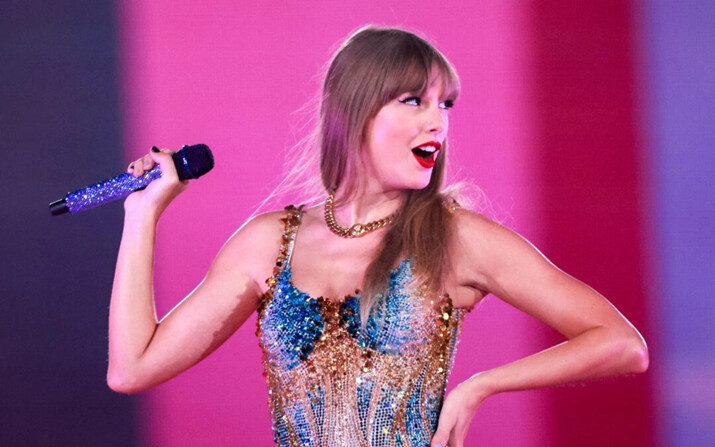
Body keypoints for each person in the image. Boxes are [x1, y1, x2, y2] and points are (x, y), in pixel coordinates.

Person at [107, 26, 649, 447]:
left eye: (446, 104)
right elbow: (133, 368)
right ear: (356, 110)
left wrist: (480, 385)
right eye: (415, 101)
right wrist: (142, 215)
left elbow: (621, 343)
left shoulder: (453, 236)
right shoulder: (270, 243)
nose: (437, 121)